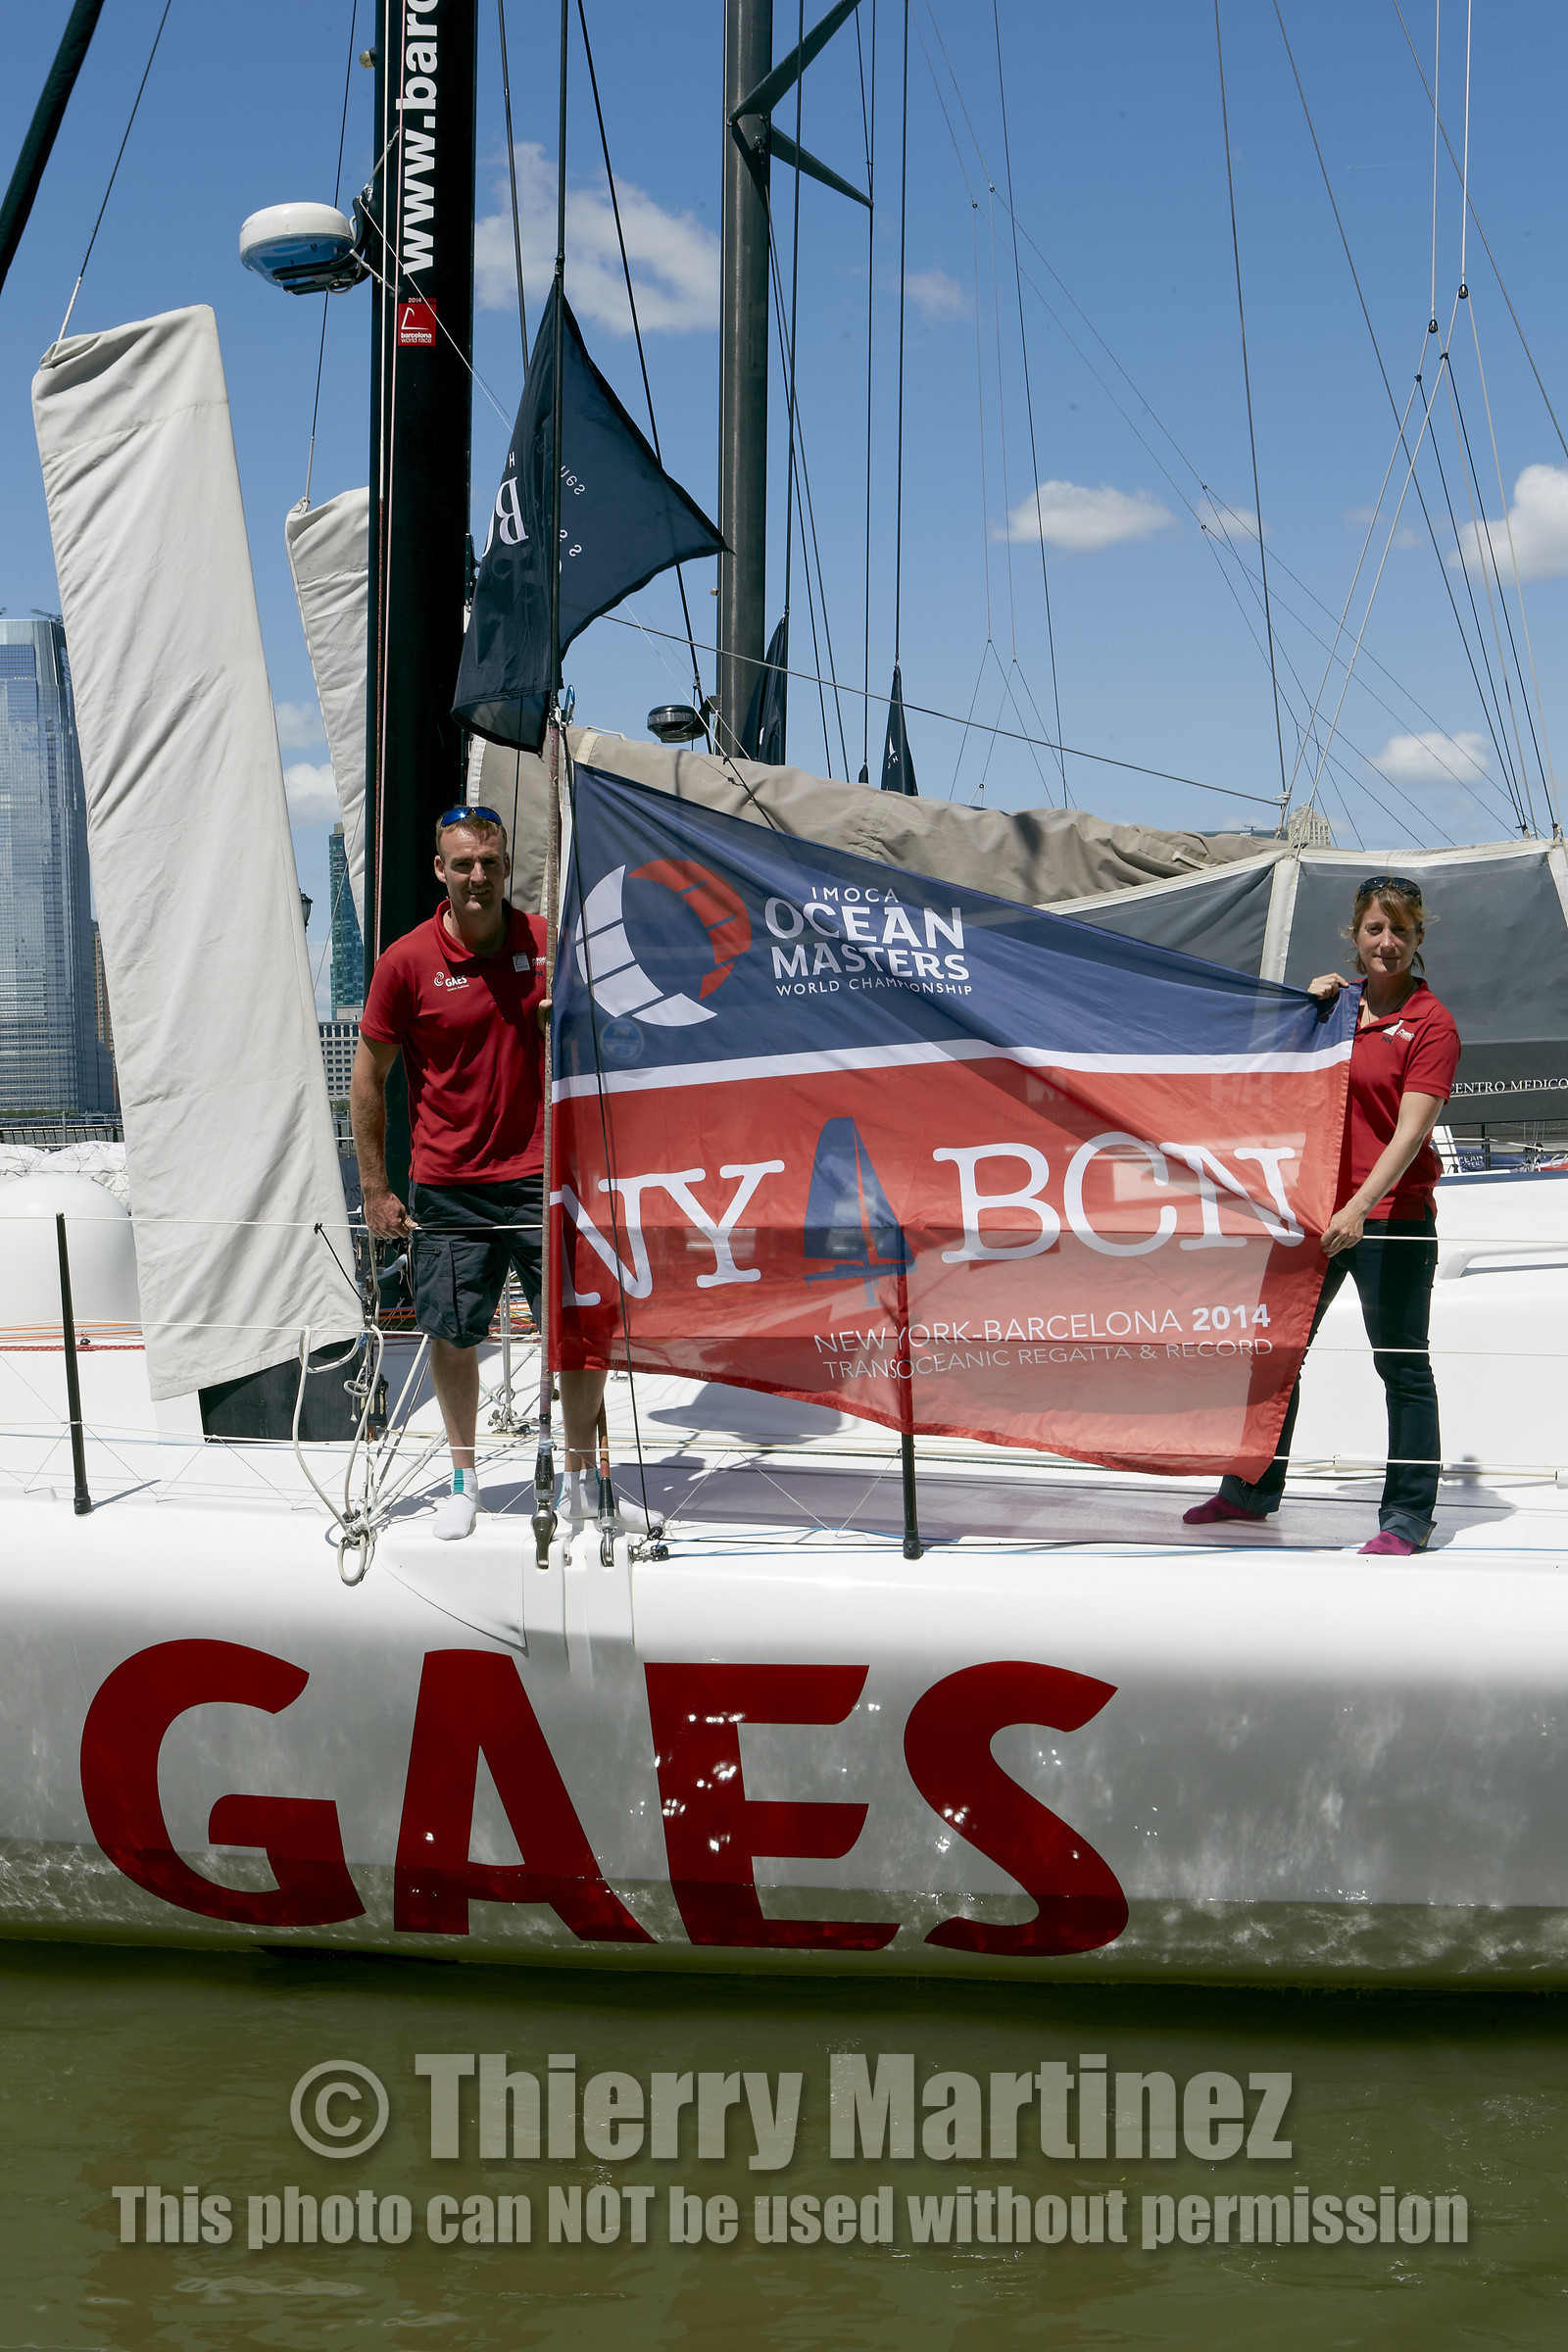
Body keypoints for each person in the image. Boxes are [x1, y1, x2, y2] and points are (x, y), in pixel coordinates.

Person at [351, 807, 648, 1541]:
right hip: (448, 1185)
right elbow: (368, 1079)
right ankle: (464, 1479)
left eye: (489, 861)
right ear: (440, 873)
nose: (477, 875)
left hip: (545, 1178)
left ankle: (581, 1479)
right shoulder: (406, 962)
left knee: (579, 1331)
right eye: (463, 864)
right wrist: (375, 1189)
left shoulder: (548, 946)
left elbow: (615, 1039)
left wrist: (568, 1022)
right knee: (453, 1334)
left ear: (506, 865)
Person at [1184, 875, 1460, 1556]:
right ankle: (1250, 1490)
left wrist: (1359, 1209)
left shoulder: (1433, 1025)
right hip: (1313, 1211)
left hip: (1389, 1216)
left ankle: (1407, 1516)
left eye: (1400, 931)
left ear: (1419, 939)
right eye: (1375, 929)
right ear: (1355, 936)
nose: (1387, 943)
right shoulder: (1338, 1007)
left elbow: (1409, 1134)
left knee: (1401, 1364)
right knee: (1275, 1354)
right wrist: (1303, 1012)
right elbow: (1283, 1083)